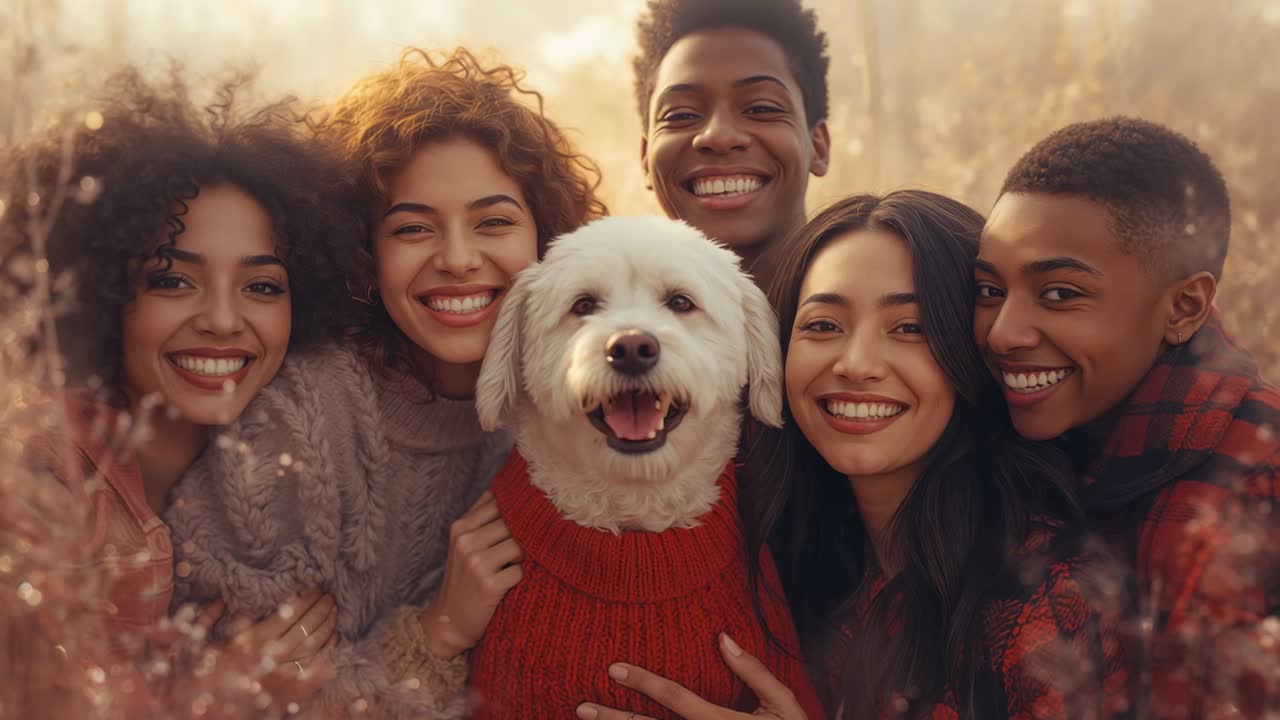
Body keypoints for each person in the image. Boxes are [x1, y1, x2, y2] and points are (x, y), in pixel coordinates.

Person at [164, 47, 606, 717]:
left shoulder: (570, 406)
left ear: (546, 239)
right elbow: (250, 703)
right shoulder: (299, 422)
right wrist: (436, 634)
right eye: (413, 228)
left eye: (493, 222)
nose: (457, 258)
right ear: (365, 252)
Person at [580, 191, 1125, 720]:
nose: (857, 364)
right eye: (823, 326)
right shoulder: (786, 553)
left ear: (970, 352)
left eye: (909, 328)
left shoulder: (1048, 596)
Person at [1, 66, 359, 716]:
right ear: (107, 290)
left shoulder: (306, 461)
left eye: (262, 286)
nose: (222, 320)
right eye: (172, 281)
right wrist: (217, 690)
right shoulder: (36, 479)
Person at [973, 116, 1280, 718]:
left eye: (1059, 293)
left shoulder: (1257, 477)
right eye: (989, 290)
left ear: (1184, 307)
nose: (1003, 333)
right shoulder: (1017, 440)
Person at [631, 0, 831, 289]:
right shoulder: (601, 311)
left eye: (761, 108)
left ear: (818, 146)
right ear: (645, 158)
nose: (719, 137)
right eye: (682, 114)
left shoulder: (887, 297)